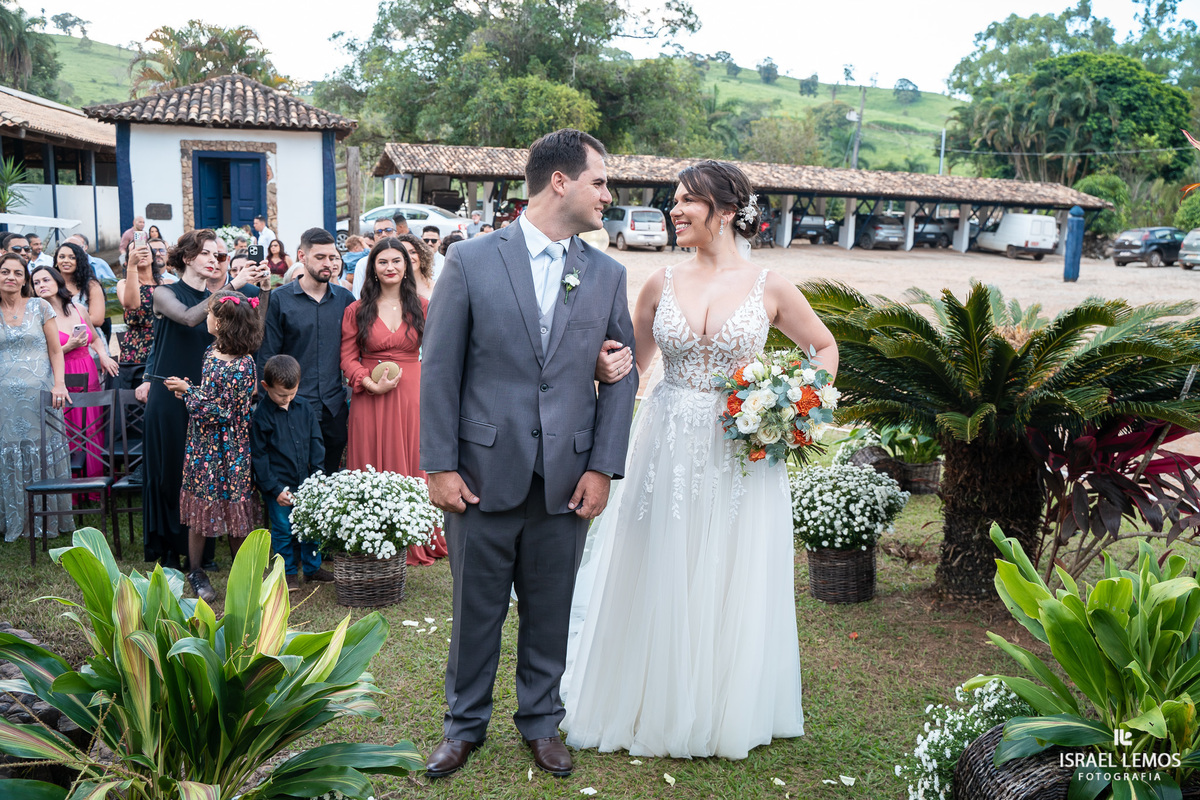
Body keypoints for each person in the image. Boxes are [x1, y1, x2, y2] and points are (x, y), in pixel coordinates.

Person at [561, 160, 838, 760]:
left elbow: (822, 346)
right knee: (659, 554)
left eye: (688, 200)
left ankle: (722, 705)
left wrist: (795, 405)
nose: (675, 210)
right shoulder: (658, 282)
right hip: (665, 437)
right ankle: (648, 698)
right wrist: (602, 370)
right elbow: (630, 368)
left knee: (730, 562)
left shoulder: (770, 286)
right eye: (675, 200)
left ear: (728, 211)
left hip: (741, 447)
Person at [420, 129, 639, 779]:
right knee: (475, 611)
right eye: (600, 181)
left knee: (551, 610)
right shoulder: (471, 260)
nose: (609, 194)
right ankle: (464, 725)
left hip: (566, 478)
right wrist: (439, 465)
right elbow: (441, 370)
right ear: (560, 181)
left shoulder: (607, 274)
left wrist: (601, 467)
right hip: (481, 473)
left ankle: (541, 721)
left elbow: (621, 375)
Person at [341, 238, 448, 567]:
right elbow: (347, 358)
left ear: (407, 266)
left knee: (412, 457)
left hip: (411, 394)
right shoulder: (356, 310)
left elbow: (439, 353)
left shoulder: (423, 306)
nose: (390, 267)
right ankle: (371, 534)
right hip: (369, 396)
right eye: (383, 261)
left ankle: (414, 534)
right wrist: (368, 382)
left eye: (396, 261)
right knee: (369, 460)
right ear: (372, 267)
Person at [164, 289, 263, 603]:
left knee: (235, 511)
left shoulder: (244, 365)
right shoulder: (211, 351)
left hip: (230, 449)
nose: (206, 318)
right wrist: (190, 391)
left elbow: (224, 412)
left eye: (210, 314)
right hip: (202, 446)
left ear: (222, 323)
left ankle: (244, 575)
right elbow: (209, 398)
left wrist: (188, 392)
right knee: (200, 504)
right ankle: (196, 572)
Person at [140, 230, 220, 567]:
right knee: (171, 471)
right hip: (168, 395)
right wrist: (228, 288)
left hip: (204, 395)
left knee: (204, 474)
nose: (214, 260)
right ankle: (170, 548)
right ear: (187, 258)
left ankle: (202, 552)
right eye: (206, 253)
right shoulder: (164, 292)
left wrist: (261, 290)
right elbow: (188, 318)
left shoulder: (216, 298)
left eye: (217, 255)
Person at [258, 228, 355, 474]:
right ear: (302, 256)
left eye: (332, 257)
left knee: (331, 478)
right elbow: (268, 355)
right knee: (293, 480)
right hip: (292, 407)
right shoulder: (280, 299)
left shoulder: (346, 300)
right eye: (320, 257)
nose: (328, 263)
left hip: (333, 407)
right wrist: (270, 404)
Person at [0, 253, 72, 542]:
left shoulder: (40, 307)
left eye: (18, 273)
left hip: (42, 394)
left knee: (43, 451)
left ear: (24, 279)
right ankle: (12, 518)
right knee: (9, 451)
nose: (11, 277)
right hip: (4, 400)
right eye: (5, 271)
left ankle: (49, 519)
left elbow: (55, 350)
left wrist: (60, 384)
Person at [31, 265, 118, 478]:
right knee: (67, 427)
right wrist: (68, 347)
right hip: (61, 375)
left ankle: (96, 481)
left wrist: (103, 355)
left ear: (57, 281)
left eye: (46, 280)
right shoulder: (37, 317)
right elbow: (39, 357)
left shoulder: (78, 309)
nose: (41, 285)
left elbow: (95, 338)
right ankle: (72, 485)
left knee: (92, 425)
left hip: (87, 370)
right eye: (36, 283)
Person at [252, 354, 330, 592]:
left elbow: (316, 441)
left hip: (306, 484)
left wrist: (318, 475)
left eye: (291, 393)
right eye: (281, 395)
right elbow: (259, 457)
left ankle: (312, 569)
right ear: (265, 386)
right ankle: (287, 573)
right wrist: (275, 489)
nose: (286, 399)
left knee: (310, 527)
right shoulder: (261, 415)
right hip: (279, 487)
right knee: (283, 531)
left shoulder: (305, 407)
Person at [117, 239, 165, 391]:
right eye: (135, 250)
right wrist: (132, 266)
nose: (140, 253)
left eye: (145, 250)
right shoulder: (123, 284)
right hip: (136, 350)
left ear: (152, 256)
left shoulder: (166, 284)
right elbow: (132, 304)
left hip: (162, 345)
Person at [54, 242, 106, 329]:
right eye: (62, 257)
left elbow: (97, 319)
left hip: (86, 334)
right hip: (55, 335)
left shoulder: (91, 285)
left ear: (79, 261)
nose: (66, 261)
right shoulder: (50, 284)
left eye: (72, 257)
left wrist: (65, 323)